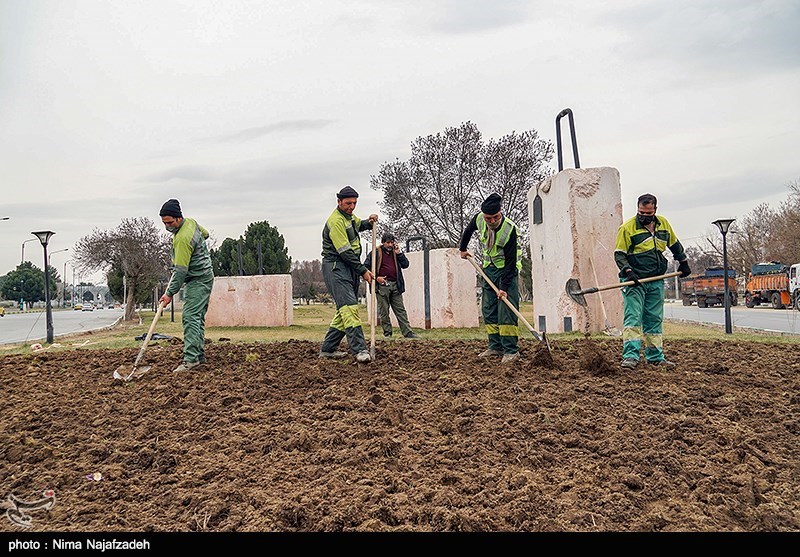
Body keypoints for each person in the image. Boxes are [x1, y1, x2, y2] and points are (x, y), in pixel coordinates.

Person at [614, 193, 691, 369]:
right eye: (641, 213)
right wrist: (628, 271)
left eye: (648, 214)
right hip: (634, 281)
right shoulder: (627, 228)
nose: (644, 217)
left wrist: (683, 262)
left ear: (655, 210)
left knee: (654, 318)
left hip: (656, 279)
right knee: (633, 318)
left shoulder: (663, 224)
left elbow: (675, 245)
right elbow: (619, 254)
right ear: (637, 209)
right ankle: (630, 356)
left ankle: (655, 356)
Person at [459, 193, 522, 364]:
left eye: (495, 217)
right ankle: (495, 346)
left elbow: (511, 262)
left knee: (506, 312)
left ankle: (511, 350)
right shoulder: (479, 219)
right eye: (489, 218)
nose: (492, 221)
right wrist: (462, 249)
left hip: (506, 271)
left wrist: (504, 287)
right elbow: (468, 230)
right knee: (489, 309)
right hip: (489, 270)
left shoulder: (509, 229)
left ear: (500, 213)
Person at [319, 186, 378, 363]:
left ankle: (328, 349)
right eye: (348, 203)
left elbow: (358, 225)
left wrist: (369, 222)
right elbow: (345, 252)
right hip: (336, 267)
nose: (351, 207)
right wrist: (363, 271)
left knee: (343, 311)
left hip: (348, 268)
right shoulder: (335, 221)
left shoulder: (349, 218)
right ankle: (360, 349)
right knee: (349, 308)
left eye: (354, 203)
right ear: (339, 202)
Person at [157, 199, 215, 373]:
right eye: (164, 223)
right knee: (196, 317)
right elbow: (205, 235)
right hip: (204, 276)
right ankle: (198, 356)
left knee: (190, 317)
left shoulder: (182, 239)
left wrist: (168, 294)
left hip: (198, 278)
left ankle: (191, 360)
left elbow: (180, 272)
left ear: (178, 218)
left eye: (170, 222)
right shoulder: (191, 223)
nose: (167, 226)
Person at [363, 232, 418, 339]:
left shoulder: (395, 253)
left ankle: (408, 332)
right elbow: (366, 267)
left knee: (400, 310)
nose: (390, 245)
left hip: (395, 285)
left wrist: (399, 253)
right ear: (383, 242)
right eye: (388, 242)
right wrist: (376, 278)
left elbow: (405, 265)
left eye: (392, 242)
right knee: (384, 311)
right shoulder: (375, 253)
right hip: (382, 286)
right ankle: (387, 333)